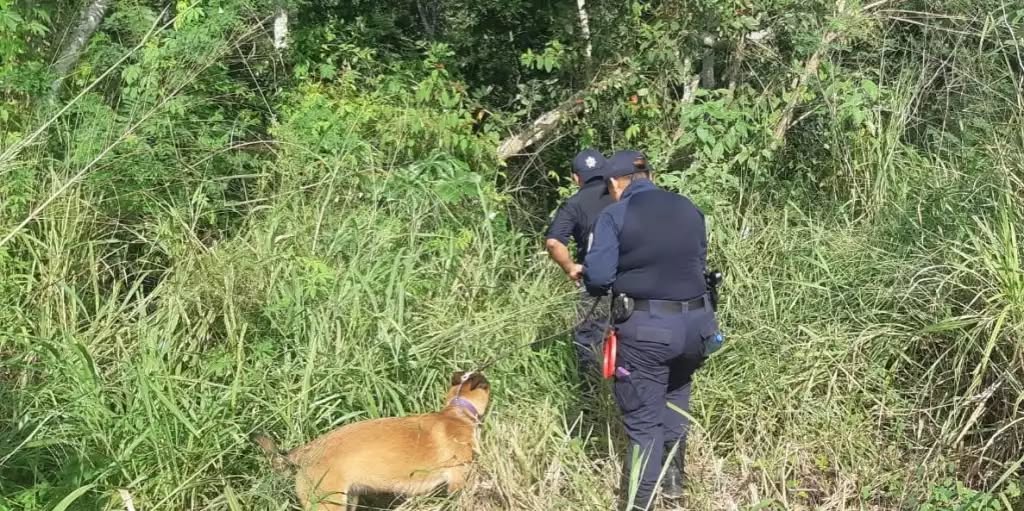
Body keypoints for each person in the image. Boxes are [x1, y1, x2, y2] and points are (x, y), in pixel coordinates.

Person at [582, 150, 717, 510]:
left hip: (648, 332)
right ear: (649, 176)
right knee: (675, 400)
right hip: (697, 328)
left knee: (644, 423)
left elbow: (597, 279)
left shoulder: (615, 214)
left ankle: (638, 504)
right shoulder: (689, 208)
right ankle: (673, 487)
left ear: (614, 183)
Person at [544, 148, 615, 406]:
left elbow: (553, 243)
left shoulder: (574, 204)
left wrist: (570, 267)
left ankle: (593, 404)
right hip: (631, 280)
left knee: (589, 343)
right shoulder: (621, 195)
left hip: (595, 283)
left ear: (576, 178)